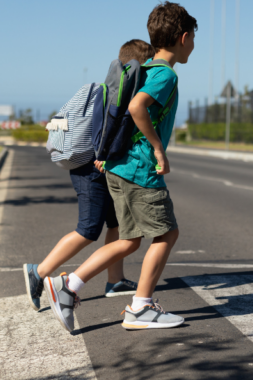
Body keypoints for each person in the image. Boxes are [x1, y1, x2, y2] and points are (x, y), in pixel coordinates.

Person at [45, 1, 196, 331]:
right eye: (194, 39)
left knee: (128, 240)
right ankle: (141, 308)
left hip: (117, 167)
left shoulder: (143, 70)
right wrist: (158, 149)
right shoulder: (165, 75)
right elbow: (137, 106)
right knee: (167, 233)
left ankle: (67, 286)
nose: (194, 46)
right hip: (139, 170)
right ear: (184, 37)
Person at [22, 39, 156, 312]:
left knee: (116, 224)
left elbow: (61, 120)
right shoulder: (119, 93)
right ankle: (38, 272)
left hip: (93, 166)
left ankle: (114, 280)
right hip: (90, 169)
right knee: (88, 229)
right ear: (139, 66)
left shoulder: (98, 88)